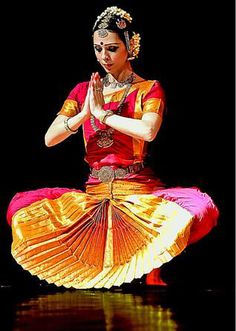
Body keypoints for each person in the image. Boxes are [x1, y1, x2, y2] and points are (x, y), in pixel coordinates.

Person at [7, 6, 219, 289]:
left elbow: (148, 131)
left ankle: (153, 265)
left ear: (131, 46)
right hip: (94, 193)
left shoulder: (149, 88)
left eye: (112, 48)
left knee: (201, 209)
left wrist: (104, 115)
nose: (103, 57)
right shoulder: (84, 91)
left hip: (136, 192)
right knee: (20, 208)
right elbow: (50, 138)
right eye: (97, 49)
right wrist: (84, 114)